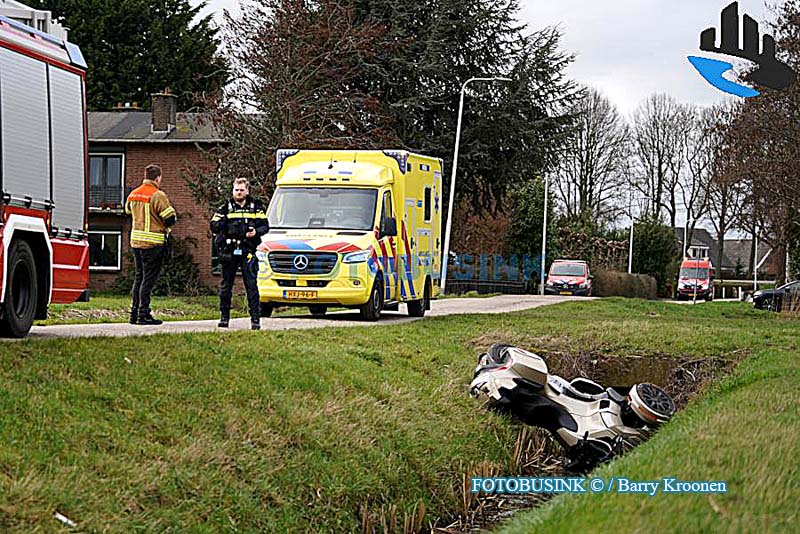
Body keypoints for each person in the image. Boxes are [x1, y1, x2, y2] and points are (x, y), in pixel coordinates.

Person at [210, 178, 270, 330]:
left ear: (247, 191)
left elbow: (265, 226)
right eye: (236, 190)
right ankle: (224, 318)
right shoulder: (225, 207)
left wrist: (255, 232)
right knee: (226, 286)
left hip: (247, 250)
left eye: (241, 190)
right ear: (233, 191)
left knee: (251, 286)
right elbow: (214, 225)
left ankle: (255, 320)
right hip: (229, 251)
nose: (238, 192)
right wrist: (225, 221)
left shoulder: (256, 207)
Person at [124, 164, 177, 325]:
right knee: (148, 280)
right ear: (158, 178)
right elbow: (170, 218)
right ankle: (143, 314)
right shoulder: (157, 195)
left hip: (136, 242)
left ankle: (134, 313)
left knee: (139, 277)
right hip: (153, 243)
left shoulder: (133, 194)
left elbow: (127, 211)